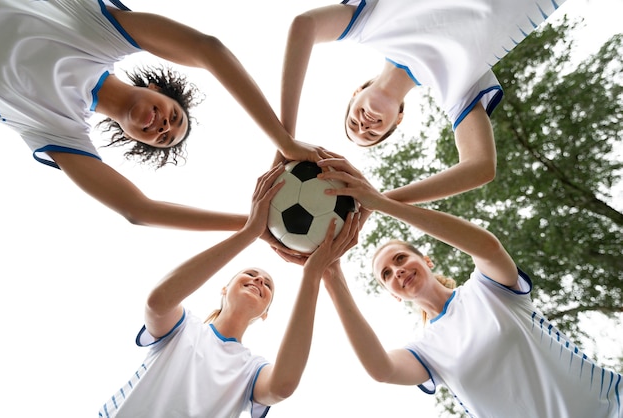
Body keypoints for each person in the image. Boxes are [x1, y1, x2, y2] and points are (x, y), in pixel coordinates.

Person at [314, 157, 622, 417]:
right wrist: (331, 274)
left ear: (427, 260)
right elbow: (381, 369)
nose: (398, 270)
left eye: (400, 258)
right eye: (387, 274)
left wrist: (381, 203)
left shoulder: (487, 289)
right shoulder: (426, 349)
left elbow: (488, 248)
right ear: (393, 295)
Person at [0, 0, 328, 231]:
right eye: (174, 117)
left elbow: (137, 210)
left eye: (163, 138)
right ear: (156, 89)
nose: (164, 126)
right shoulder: (99, 33)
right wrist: (283, 140)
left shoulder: (60, 131)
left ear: (132, 136)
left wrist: (255, 223)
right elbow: (208, 48)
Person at [98, 164, 360, 418]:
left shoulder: (250, 369)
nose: (259, 281)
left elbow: (282, 386)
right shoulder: (183, 330)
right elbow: (158, 302)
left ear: (265, 314)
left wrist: (312, 275)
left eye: (268, 284)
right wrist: (250, 232)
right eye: (250, 274)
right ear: (223, 290)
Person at [277, 0, 569, 204]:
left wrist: (285, 140)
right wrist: (378, 200)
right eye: (371, 134)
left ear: (357, 92)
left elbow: (303, 25)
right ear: (398, 119)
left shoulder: (366, 25)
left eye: (353, 121)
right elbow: (481, 167)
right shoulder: (456, 89)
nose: (364, 125)